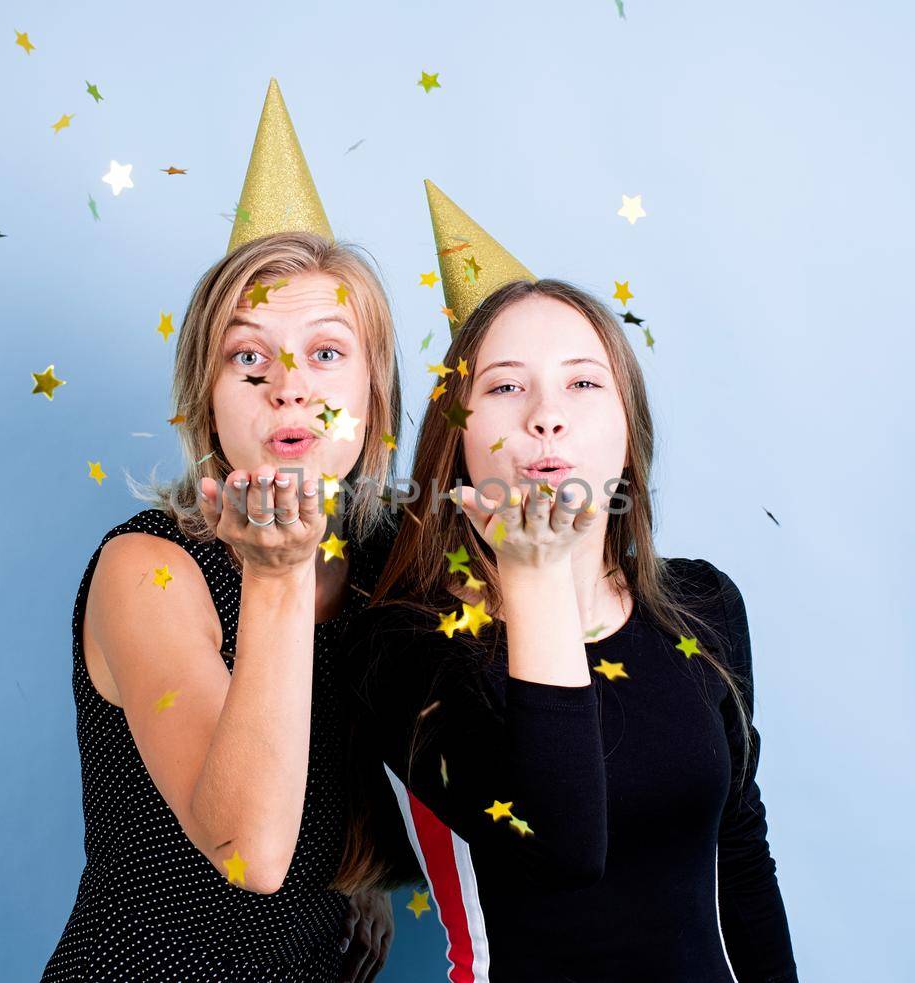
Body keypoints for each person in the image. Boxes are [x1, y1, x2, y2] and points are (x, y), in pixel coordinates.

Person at [335, 181, 801, 982]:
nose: (545, 415)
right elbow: (560, 848)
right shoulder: (405, 644)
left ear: (629, 430)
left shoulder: (704, 604)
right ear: (459, 439)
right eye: (505, 386)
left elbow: (740, 855)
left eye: (583, 383)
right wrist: (537, 570)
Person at [41, 79, 404, 983]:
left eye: (326, 352)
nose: (287, 385)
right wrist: (277, 574)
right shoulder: (150, 569)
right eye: (248, 355)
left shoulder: (391, 568)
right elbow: (252, 852)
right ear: (208, 399)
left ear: (373, 396)